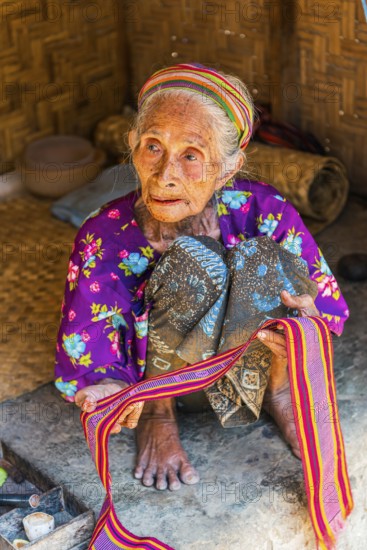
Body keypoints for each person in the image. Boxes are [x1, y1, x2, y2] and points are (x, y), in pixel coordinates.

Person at [55, 63, 349, 492]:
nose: (166, 174)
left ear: (228, 168)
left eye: (191, 155)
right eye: (153, 147)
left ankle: (281, 394)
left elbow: (322, 306)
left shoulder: (264, 209)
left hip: (253, 374)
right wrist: (107, 390)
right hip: (166, 387)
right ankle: (159, 416)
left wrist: (303, 330)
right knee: (192, 259)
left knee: (261, 257)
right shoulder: (104, 236)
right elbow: (89, 344)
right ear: (132, 145)